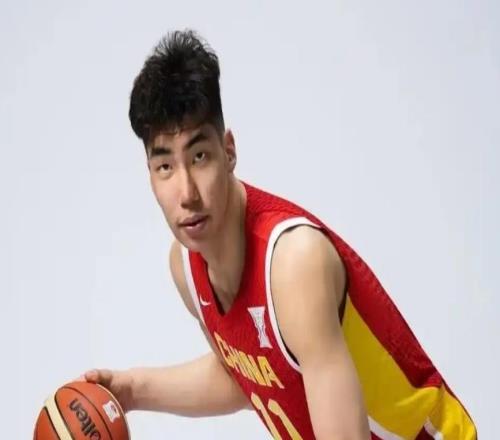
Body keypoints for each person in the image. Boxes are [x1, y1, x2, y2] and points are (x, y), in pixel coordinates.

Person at [84, 30, 477, 439]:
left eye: (199, 157)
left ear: (228, 151)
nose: (187, 193)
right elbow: (245, 374)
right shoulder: (186, 265)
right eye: (165, 166)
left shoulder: (294, 263)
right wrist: (132, 390)